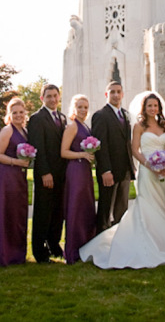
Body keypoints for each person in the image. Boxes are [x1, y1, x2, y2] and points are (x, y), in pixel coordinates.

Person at [79, 91, 165, 268]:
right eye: (149, 106)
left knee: (161, 206)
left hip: (164, 174)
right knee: (147, 205)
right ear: (144, 108)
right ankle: (144, 242)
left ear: (159, 108)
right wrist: (150, 165)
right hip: (147, 171)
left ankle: (163, 241)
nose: (152, 109)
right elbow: (135, 149)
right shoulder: (139, 126)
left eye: (155, 106)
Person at [0, 96, 31, 266]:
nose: (18, 115)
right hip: (6, 176)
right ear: (9, 114)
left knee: (17, 213)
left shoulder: (25, 131)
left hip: (19, 176)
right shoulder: (7, 131)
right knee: (6, 212)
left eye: (21, 112)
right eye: (14, 112)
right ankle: (2, 252)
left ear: (25, 113)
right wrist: (16, 162)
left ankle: (16, 251)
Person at [27, 83, 67, 263]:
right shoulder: (36, 119)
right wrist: (44, 172)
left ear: (59, 97)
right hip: (46, 173)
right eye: (48, 96)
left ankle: (54, 244)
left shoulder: (63, 118)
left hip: (61, 173)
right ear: (42, 98)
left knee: (58, 211)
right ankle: (39, 250)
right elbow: (38, 147)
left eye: (55, 95)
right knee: (43, 212)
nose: (52, 99)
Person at [92, 81, 134, 232]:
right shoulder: (100, 116)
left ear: (122, 94)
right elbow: (100, 146)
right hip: (109, 172)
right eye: (112, 92)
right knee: (105, 209)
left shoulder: (125, 115)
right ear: (106, 94)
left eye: (118, 92)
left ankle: (118, 239)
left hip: (125, 170)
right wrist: (105, 170)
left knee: (121, 209)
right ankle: (101, 241)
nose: (116, 95)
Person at [61, 94, 97, 264]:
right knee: (75, 208)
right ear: (73, 109)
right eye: (80, 107)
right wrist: (82, 154)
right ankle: (73, 250)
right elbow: (64, 152)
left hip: (85, 170)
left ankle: (85, 245)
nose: (83, 110)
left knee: (85, 207)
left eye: (85, 107)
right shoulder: (72, 127)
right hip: (75, 170)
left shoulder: (85, 127)